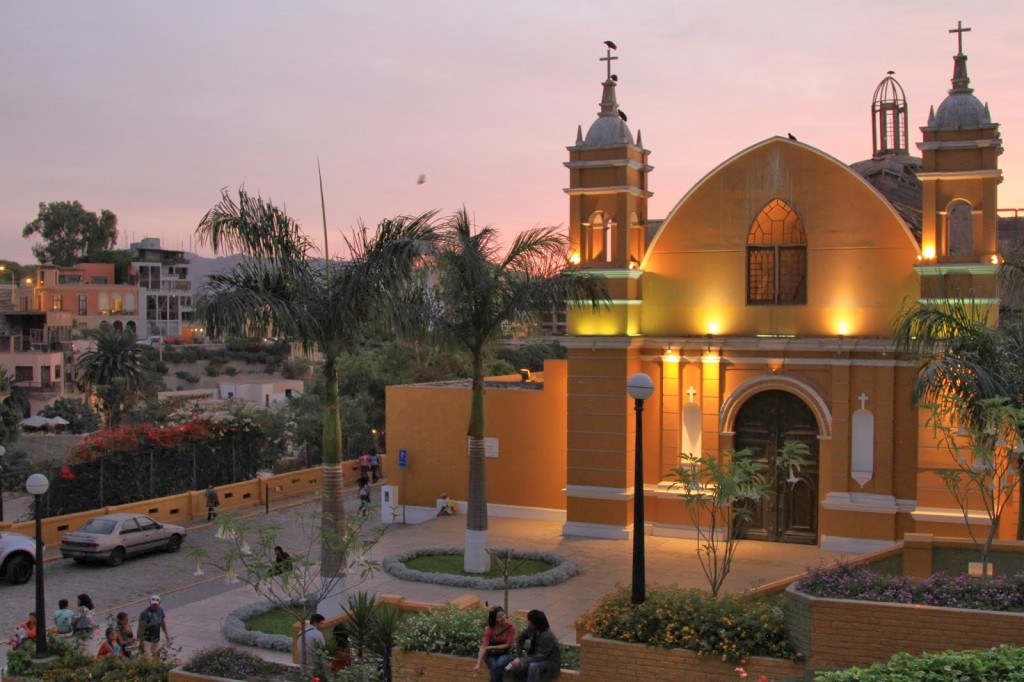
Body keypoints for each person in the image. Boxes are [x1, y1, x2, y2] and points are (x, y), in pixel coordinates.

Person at [508, 610, 560, 682]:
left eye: (529, 620)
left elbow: (541, 657)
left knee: (533, 666)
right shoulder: (531, 629)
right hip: (535, 657)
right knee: (517, 666)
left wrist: (522, 660)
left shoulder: (547, 636)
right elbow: (520, 639)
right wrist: (519, 656)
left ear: (535, 623)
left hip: (549, 662)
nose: (527, 621)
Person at [474, 606, 516, 681]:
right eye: (499, 617)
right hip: (490, 655)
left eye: (503, 614)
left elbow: (508, 645)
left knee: (498, 665)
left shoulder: (511, 627)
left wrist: (491, 647)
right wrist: (478, 663)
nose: (503, 617)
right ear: (495, 620)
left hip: (505, 653)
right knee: (495, 668)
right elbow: (484, 646)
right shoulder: (489, 629)